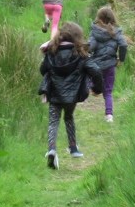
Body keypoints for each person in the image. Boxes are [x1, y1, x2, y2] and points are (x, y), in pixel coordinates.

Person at [38, 22, 102, 169]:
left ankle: (51, 150)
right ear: (77, 37)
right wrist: (97, 89)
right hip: (72, 97)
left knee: (53, 121)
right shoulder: (80, 54)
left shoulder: (51, 52)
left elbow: (43, 70)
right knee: (68, 117)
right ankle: (73, 148)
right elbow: (96, 71)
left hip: (54, 94)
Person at [87, 6, 128, 123]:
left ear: (99, 18)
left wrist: (86, 50)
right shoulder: (116, 32)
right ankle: (109, 115)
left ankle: (91, 88)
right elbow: (124, 45)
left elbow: (91, 47)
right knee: (108, 92)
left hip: (97, 65)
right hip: (110, 65)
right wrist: (121, 59)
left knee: (89, 77)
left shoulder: (95, 31)